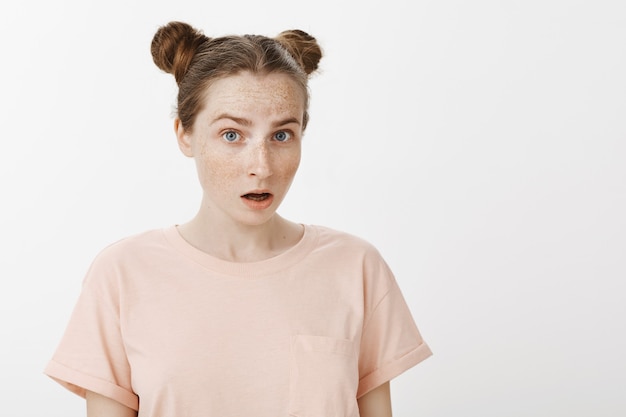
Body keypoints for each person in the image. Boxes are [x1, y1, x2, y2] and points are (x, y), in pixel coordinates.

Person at [44, 21, 432, 417]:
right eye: (232, 135)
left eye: (281, 135)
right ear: (185, 135)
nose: (261, 167)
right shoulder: (122, 275)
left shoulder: (356, 267)